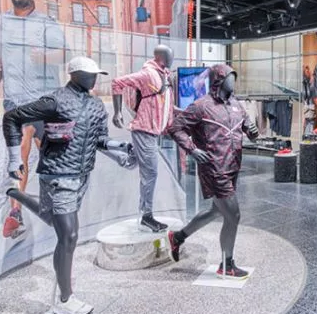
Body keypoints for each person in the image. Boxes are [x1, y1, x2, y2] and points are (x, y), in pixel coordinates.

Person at [4, 57, 134, 314]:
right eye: (88, 74)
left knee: (55, 221)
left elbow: (99, 139)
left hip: (82, 175)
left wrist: (118, 151)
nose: (93, 79)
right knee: (69, 236)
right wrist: (14, 158)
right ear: (74, 74)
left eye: (95, 74)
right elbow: (12, 117)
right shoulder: (54, 101)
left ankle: (15, 194)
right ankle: (65, 299)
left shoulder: (96, 105)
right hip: (58, 175)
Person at [166, 64, 259, 280]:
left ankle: (178, 237)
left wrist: (254, 132)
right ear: (218, 79)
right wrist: (192, 149)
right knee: (233, 215)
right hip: (214, 168)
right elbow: (175, 128)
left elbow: (250, 130)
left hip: (233, 166)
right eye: (229, 77)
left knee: (217, 211)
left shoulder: (236, 105)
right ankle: (227, 265)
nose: (233, 82)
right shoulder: (201, 106)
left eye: (234, 77)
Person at [1, 0, 66, 238]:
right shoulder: (3, 21)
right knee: (22, 150)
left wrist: (44, 57)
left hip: (43, 98)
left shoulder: (45, 22)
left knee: (48, 154)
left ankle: (55, 204)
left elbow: (62, 55)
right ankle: (15, 211)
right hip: (16, 100)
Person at [111, 45, 175, 232]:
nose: (171, 58)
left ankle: (108, 145)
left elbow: (165, 104)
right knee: (150, 173)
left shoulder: (165, 75)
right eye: (168, 55)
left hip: (152, 131)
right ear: (160, 57)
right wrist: (117, 112)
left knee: (131, 162)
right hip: (145, 130)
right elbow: (117, 82)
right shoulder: (148, 74)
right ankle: (146, 217)